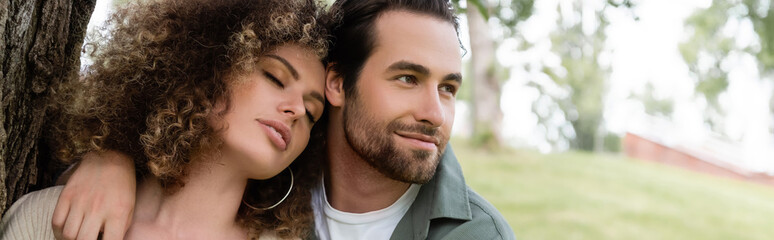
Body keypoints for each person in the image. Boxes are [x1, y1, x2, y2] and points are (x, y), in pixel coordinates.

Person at [43, 0, 516, 239]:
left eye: (449, 88)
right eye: (407, 78)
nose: (435, 114)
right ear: (339, 85)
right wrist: (111, 154)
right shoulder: (276, 175)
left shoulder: (476, 235)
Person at [0, 0, 332, 239]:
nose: (298, 110)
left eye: (313, 112)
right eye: (275, 78)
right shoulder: (49, 219)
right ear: (207, 68)